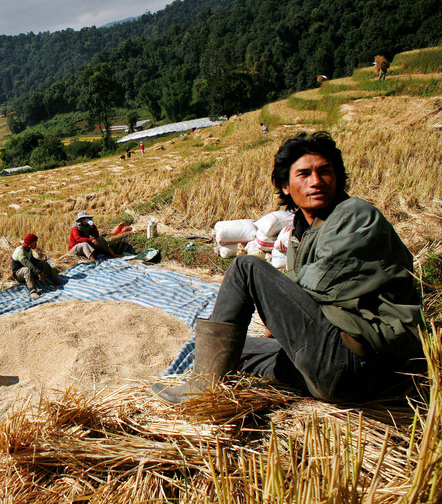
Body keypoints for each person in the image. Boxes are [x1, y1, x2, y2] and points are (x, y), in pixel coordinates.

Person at [153, 131, 425, 404]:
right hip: (328, 367)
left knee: (246, 267)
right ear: (286, 186)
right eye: (304, 174)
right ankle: (242, 381)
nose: (316, 182)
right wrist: (279, 310)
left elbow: (319, 285)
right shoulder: (301, 233)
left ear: (337, 178)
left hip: (363, 362)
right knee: (234, 351)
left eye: (325, 172)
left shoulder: (354, 214)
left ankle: (203, 390)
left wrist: (270, 298)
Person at [12, 233, 64, 299]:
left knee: (43, 263)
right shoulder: (20, 251)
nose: (36, 244)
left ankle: (55, 280)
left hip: (29, 272)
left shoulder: (28, 250)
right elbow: (28, 264)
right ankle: (33, 291)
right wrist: (39, 273)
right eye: (35, 243)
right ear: (29, 243)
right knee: (26, 269)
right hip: (19, 275)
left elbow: (33, 260)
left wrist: (42, 261)